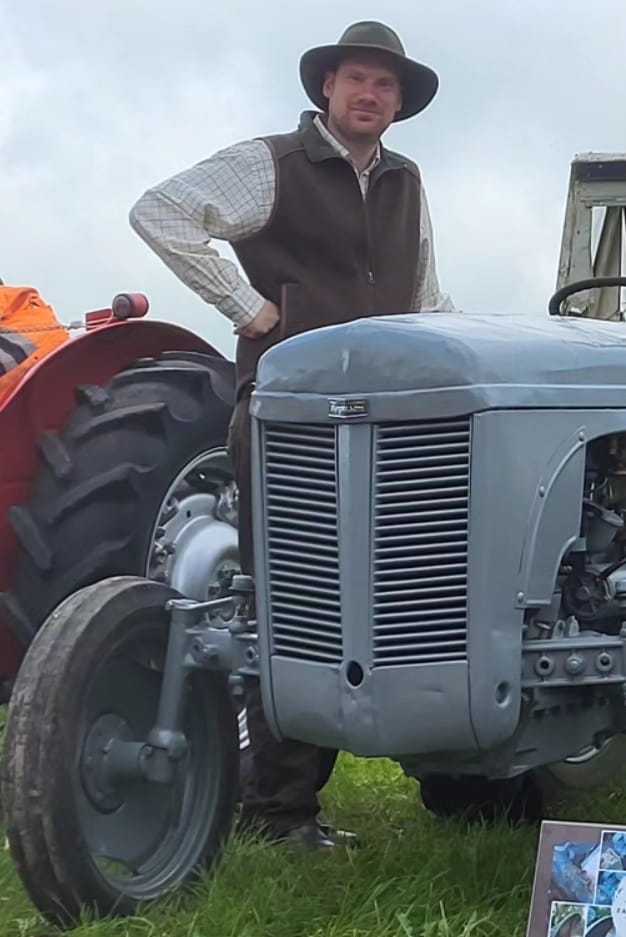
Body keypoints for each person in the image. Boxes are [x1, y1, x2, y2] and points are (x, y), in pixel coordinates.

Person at [130, 20, 453, 851]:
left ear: (399, 102)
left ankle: (453, 761)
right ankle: (277, 811)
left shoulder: (406, 180)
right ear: (327, 89)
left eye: (386, 85)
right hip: (292, 412)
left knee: (403, 587)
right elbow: (161, 213)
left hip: (390, 414)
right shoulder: (270, 164)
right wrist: (254, 313)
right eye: (357, 80)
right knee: (297, 596)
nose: (371, 95)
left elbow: (422, 293)